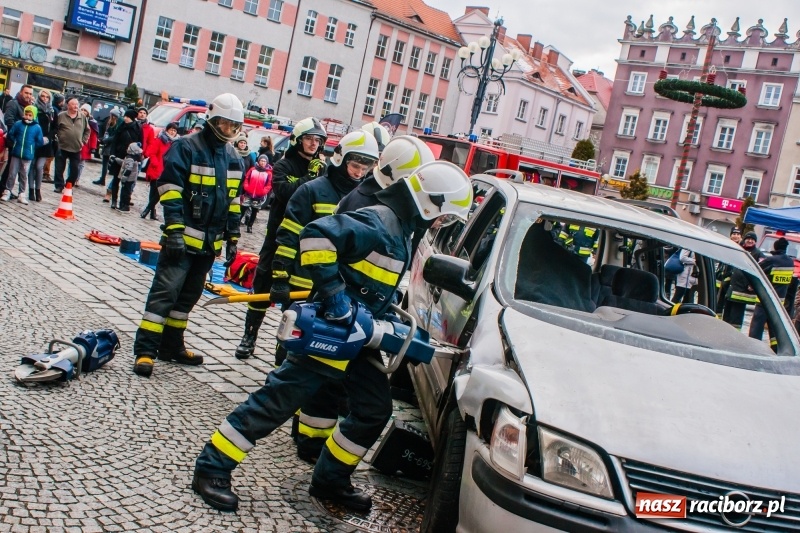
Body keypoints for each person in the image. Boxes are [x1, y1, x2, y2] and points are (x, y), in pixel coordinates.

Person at [192, 160, 473, 513]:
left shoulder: (401, 228)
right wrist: (334, 295)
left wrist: (388, 326)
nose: (439, 224)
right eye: (444, 216)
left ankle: (330, 480)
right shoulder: (380, 221)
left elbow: (371, 287)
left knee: (373, 410)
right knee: (278, 400)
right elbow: (315, 235)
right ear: (431, 202)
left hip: (357, 337)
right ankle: (211, 468)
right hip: (333, 331)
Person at [268, 131, 378, 461]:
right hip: (302, 289)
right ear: (341, 159)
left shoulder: (365, 200)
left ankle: (307, 427)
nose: (359, 172)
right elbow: (287, 237)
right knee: (292, 357)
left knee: (324, 362)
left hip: (334, 294)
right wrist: (279, 278)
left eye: (366, 167)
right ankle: (287, 415)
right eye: (356, 165)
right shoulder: (312, 191)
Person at [131, 93, 245, 378]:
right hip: (180, 241)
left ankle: (172, 347)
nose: (229, 130)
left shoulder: (233, 157)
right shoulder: (187, 148)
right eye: (224, 123)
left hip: (209, 245)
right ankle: (145, 351)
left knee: (187, 299)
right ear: (212, 119)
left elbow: (233, 202)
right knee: (164, 295)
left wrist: (232, 237)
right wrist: (173, 232)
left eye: (234, 126)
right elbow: (170, 191)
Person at [233, 117, 327, 361]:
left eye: (317, 140)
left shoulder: (321, 168)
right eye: (309, 139)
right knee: (263, 283)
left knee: (298, 296)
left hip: (305, 240)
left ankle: (284, 349)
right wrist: (310, 178)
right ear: (298, 140)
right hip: (277, 236)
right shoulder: (284, 165)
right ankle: (249, 335)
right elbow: (285, 192)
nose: (313, 144)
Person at [749, 237, 795, 349]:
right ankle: (776, 348)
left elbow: (756, 270)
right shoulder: (790, 262)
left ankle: (753, 347)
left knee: (757, 326)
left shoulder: (772, 260)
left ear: (775, 247)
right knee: (774, 327)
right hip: (780, 301)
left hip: (765, 299)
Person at [722, 231, 765, 329]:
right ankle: (724, 332)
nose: (750, 241)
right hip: (732, 289)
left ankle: (734, 337)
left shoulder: (758, 254)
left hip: (742, 293)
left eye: (752, 239)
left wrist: (752, 284)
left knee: (736, 318)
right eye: (748, 239)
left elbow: (761, 271)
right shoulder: (740, 250)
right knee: (727, 316)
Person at [2, 105, 44, 204]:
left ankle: (21, 193)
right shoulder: (18, 124)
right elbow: (11, 134)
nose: (28, 117)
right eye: (26, 114)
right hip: (16, 153)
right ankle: (7, 191)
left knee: (24, 174)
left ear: (34, 116)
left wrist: (32, 147)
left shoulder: (37, 127)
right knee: (12, 173)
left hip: (27, 155)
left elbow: (40, 141)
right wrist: (15, 142)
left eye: (30, 115)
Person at [1, 84, 35, 195]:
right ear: (21, 92)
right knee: (10, 167)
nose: (28, 95)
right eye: (26, 93)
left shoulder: (30, 106)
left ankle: (7, 189)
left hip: (25, 143)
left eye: (30, 93)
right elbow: (9, 120)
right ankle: (3, 189)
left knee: (18, 169)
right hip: (14, 141)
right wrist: (18, 133)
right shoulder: (13, 103)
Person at [140, 121, 178, 220]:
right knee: (153, 191)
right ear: (167, 130)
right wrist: (155, 164)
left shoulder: (174, 143)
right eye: (171, 130)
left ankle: (148, 209)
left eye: (175, 130)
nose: (173, 132)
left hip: (166, 170)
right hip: (156, 169)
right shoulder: (160, 140)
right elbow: (151, 153)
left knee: (159, 192)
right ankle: (152, 212)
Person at [53, 97, 89, 193]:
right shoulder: (61, 115)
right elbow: (55, 128)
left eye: (77, 104)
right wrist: (58, 138)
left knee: (74, 170)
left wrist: (84, 141)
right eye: (73, 104)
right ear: (68, 106)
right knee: (59, 168)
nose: (76, 106)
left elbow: (87, 130)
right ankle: (59, 185)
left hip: (76, 147)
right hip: (62, 146)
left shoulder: (82, 117)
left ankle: (69, 185)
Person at [108, 109, 142, 209]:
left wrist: (137, 156)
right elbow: (115, 140)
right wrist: (112, 154)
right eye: (125, 116)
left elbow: (141, 143)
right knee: (116, 179)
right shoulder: (121, 126)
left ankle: (124, 202)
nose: (125, 118)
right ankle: (114, 200)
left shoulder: (137, 128)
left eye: (127, 117)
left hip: (130, 158)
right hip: (119, 155)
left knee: (127, 182)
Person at [31, 89, 55, 202]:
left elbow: (55, 128)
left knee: (39, 166)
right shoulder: (34, 108)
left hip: (45, 142)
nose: (44, 98)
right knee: (31, 166)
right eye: (42, 96)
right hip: (34, 140)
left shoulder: (52, 111)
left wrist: (48, 137)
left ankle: (38, 189)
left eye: (47, 97)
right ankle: (31, 190)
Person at [240, 153, 272, 233]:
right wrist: (246, 187)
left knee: (254, 211)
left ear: (267, 162)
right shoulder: (253, 170)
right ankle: (237, 222)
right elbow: (247, 178)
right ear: (258, 161)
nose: (263, 162)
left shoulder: (268, 173)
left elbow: (269, 184)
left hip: (258, 196)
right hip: (249, 194)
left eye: (264, 161)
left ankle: (250, 226)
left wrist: (263, 192)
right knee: (243, 209)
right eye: (261, 160)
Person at [715, 227, 742, 315]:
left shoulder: (741, 249)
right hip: (721, 279)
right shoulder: (725, 246)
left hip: (733, 281)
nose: (736, 236)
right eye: (734, 234)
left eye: (738, 234)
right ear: (730, 235)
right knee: (718, 301)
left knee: (728, 305)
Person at [93, 108, 121, 187]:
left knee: (106, 163)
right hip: (107, 144)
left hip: (111, 146)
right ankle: (102, 178)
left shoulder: (117, 124)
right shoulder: (111, 122)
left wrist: (105, 140)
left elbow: (114, 136)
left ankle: (103, 179)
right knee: (105, 163)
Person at [115, 142, 144, 212]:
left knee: (125, 192)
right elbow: (125, 163)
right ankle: (124, 205)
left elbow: (128, 169)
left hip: (128, 179)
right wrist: (116, 159)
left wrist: (124, 178)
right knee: (127, 192)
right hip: (131, 179)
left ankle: (125, 206)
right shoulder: (134, 158)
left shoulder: (130, 158)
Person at [77, 103, 99, 187]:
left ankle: (77, 178)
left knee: (81, 163)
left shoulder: (92, 123)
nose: (83, 111)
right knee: (74, 162)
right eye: (82, 109)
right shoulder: (76, 118)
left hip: (85, 145)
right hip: (76, 143)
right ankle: (71, 178)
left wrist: (93, 147)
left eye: (85, 110)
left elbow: (94, 136)